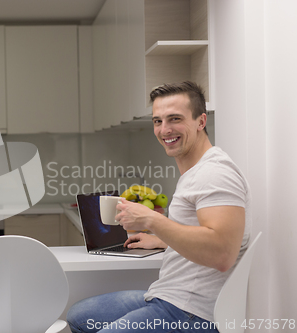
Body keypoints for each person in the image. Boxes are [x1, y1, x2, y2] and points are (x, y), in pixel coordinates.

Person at [67, 81, 252, 333]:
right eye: (157, 121)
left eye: (175, 119)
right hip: (170, 297)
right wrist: (162, 239)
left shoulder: (214, 173)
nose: (165, 129)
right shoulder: (197, 170)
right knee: (80, 316)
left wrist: (152, 220)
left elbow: (222, 253)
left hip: (191, 312)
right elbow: (205, 232)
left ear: (201, 121)